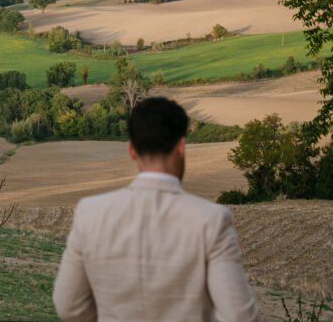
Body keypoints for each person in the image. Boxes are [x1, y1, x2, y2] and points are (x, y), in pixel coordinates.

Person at [53, 97, 259, 322]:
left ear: (132, 150)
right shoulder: (211, 220)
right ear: (181, 147)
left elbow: (68, 307)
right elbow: (239, 316)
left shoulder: (89, 213)